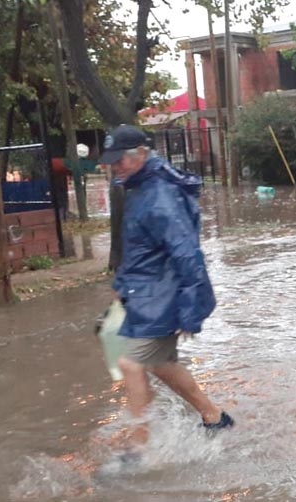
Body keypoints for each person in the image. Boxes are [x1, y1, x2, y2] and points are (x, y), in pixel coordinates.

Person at [102, 125, 233, 448]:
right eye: (112, 161)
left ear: (142, 154)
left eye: (120, 160)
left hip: (163, 298)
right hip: (147, 295)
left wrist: (190, 311)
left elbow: (187, 254)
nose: (115, 166)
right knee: (160, 363)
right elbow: (142, 249)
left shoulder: (159, 195)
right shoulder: (139, 188)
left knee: (129, 363)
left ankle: (138, 449)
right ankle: (214, 416)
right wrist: (122, 284)